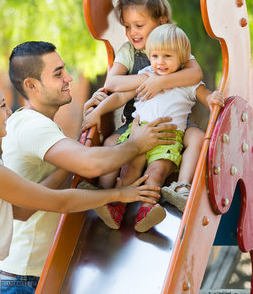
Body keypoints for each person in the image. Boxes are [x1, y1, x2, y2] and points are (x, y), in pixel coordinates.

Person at [0, 76, 164, 294]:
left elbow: (23, 210)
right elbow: (59, 202)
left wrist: (69, 163)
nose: (9, 112)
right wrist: (119, 191)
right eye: (2, 106)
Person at [0, 41, 177, 293]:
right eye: (58, 74)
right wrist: (136, 145)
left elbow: (64, 173)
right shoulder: (31, 125)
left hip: (35, 272)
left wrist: (84, 134)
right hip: (26, 278)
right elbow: (90, 165)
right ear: (31, 85)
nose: (68, 78)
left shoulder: (36, 125)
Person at [81, 24, 224, 232]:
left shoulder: (187, 82)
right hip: (138, 134)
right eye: (155, 56)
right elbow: (120, 96)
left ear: (182, 58)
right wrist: (97, 112)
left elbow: (205, 95)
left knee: (155, 173)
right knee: (128, 171)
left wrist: (212, 97)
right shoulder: (146, 75)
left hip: (167, 137)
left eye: (168, 56)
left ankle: (147, 212)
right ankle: (115, 208)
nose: (160, 62)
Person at [84, 0, 205, 206]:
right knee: (111, 142)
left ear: (161, 21)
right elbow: (113, 83)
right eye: (127, 27)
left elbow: (195, 74)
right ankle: (102, 194)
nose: (132, 32)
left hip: (174, 121)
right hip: (137, 120)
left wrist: (161, 81)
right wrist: (148, 78)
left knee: (196, 136)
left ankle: (182, 187)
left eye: (139, 25)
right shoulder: (129, 51)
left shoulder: (174, 46)